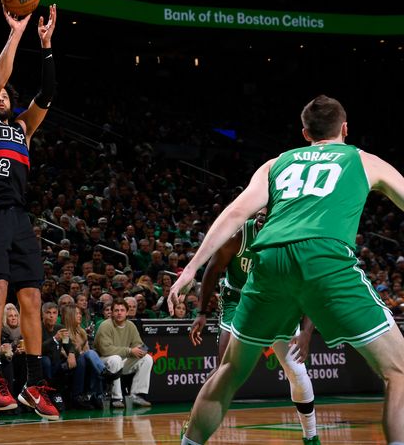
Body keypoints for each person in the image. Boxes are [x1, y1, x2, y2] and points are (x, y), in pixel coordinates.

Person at [170, 96, 404, 445]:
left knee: (230, 371)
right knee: (398, 371)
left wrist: (190, 269)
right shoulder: (364, 160)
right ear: (345, 129)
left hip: (270, 262)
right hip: (324, 257)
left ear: (305, 132)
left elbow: (235, 214)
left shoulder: (276, 163)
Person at [0, 4, 59, 419]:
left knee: (32, 297)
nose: (2, 95)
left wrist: (46, 47)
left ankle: (34, 382)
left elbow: (48, 95)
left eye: (7, 95)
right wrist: (16, 33)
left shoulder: (23, 128)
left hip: (20, 216)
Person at [189, 210, 319, 443]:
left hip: (276, 303)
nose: (261, 213)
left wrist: (307, 331)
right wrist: (201, 312)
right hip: (238, 299)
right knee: (224, 369)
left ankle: (311, 436)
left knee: (297, 372)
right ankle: (194, 427)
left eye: (268, 211)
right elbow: (212, 269)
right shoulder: (239, 235)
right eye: (259, 209)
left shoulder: (294, 238)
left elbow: (310, 287)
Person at [93, 298, 153, 408]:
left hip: (121, 362)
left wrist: (143, 351)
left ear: (127, 312)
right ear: (112, 312)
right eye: (116, 310)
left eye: (122, 310)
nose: (119, 313)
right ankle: (116, 398)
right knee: (115, 358)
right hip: (103, 363)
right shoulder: (105, 325)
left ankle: (137, 395)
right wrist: (130, 351)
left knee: (147, 358)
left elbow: (139, 344)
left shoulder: (130, 326)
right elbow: (106, 350)